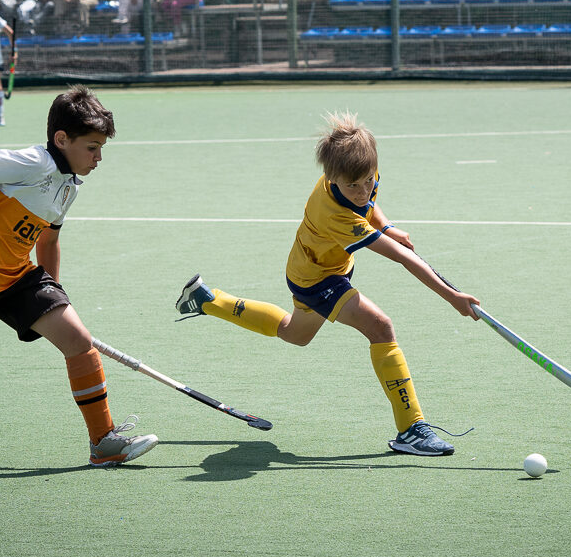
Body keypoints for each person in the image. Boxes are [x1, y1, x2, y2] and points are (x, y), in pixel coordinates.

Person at [175, 112, 481, 456]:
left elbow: (369, 204)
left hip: (322, 267)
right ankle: (411, 428)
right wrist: (452, 296)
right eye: (353, 186)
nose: (363, 191)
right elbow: (401, 258)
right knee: (380, 327)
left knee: (295, 334)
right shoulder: (334, 213)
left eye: (368, 180)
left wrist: (386, 226)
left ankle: (208, 299)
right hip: (317, 278)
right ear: (331, 178)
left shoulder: (358, 171)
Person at [0, 85, 158, 467]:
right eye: (92, 147)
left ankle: (103, 442)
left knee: (78, 340)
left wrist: (54, 292)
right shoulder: (33, 162)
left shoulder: (68, 186)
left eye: (101, 148)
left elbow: (47, 240)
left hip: (18, 277)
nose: (99, 157)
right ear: (62, 139)